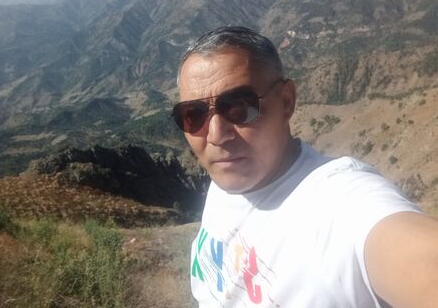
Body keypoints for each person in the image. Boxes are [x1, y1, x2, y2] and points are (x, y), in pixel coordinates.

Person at [172, 26, 438, 308]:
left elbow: (414, 254)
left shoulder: (339, 205)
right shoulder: (225, 182)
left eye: (239, 107)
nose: (215, 135)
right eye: (194, 115)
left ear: (286, 101)